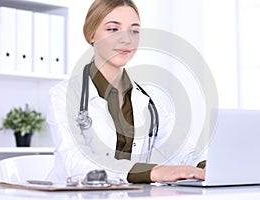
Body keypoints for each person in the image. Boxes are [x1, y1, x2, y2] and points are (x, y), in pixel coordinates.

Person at [47, 0, 205, 184]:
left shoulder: (149, 100)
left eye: (134, 31)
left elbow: (182, 150)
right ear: (91, 34)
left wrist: (205, 166)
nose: (126, 39)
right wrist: (153, 172)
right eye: (113, 29)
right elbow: (75, 161)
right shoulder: (64, 96)